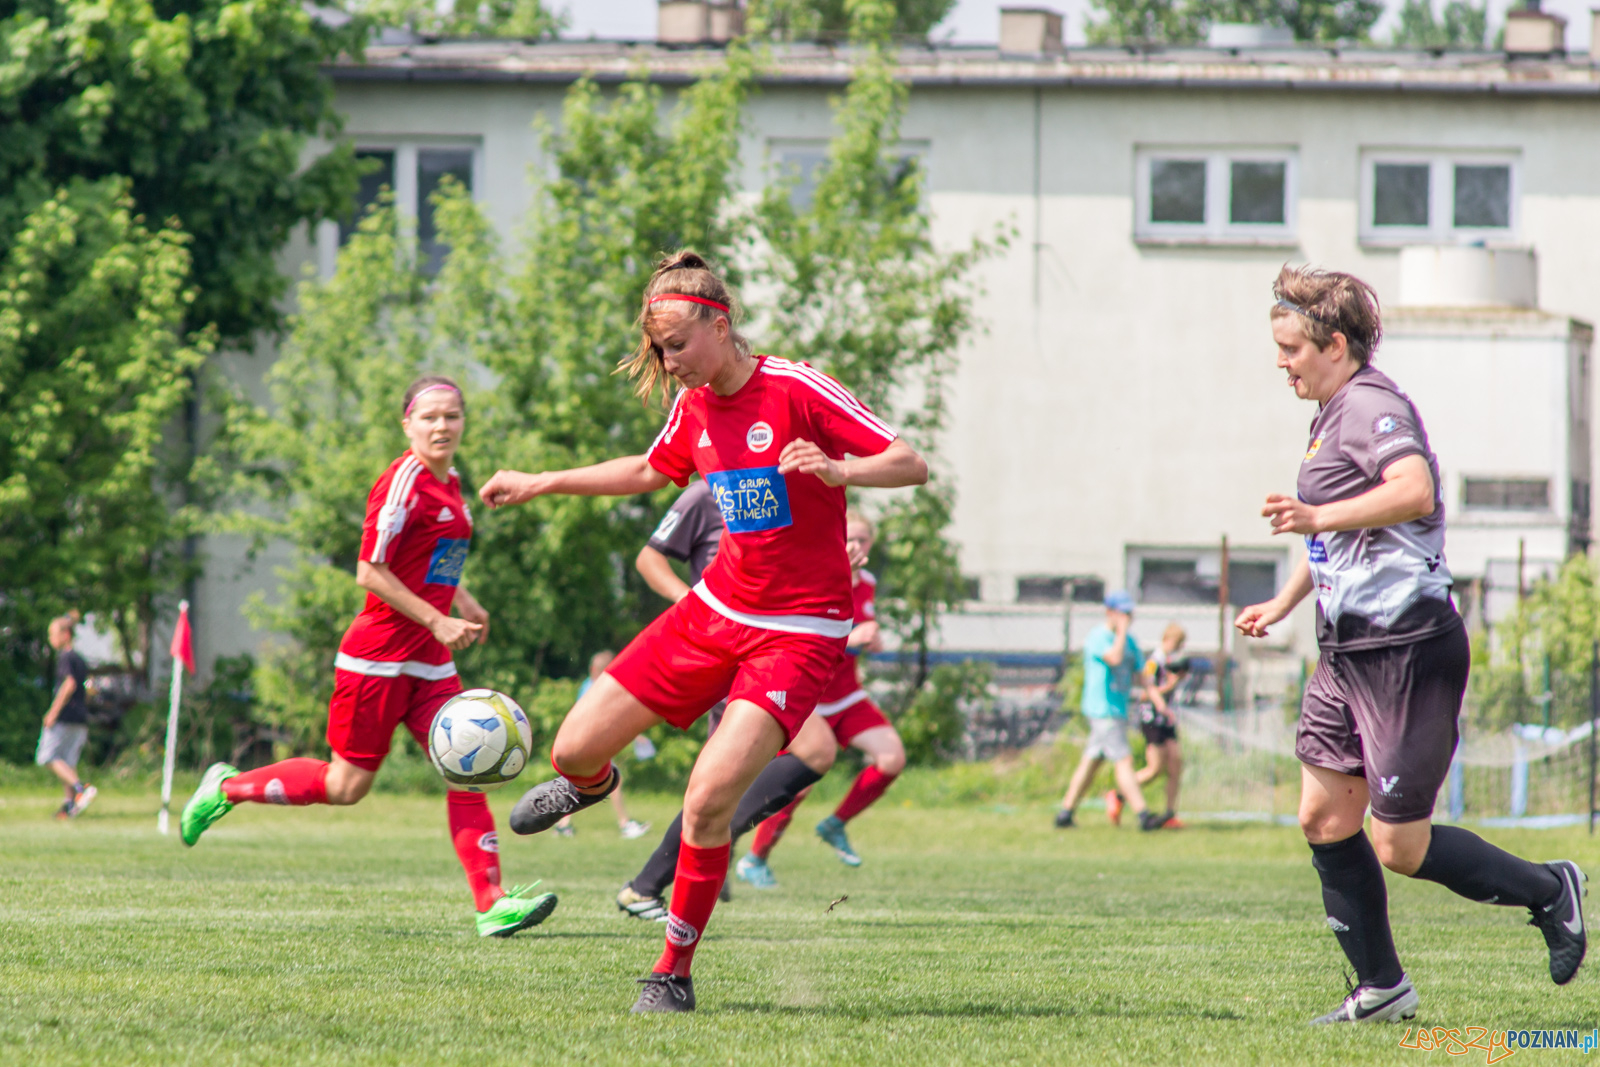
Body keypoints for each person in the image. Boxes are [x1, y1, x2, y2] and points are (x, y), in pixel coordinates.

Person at [480, 250, 927, 1012]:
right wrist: (541, 481)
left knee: (709, 798)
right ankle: (592, 786)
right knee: (572, 748)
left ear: (720, 324)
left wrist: (839, 471)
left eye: (679, 344)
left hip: (796, 631)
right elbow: (650, 471)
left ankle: (672, 971)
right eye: (660, 348)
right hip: (715, 610)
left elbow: (910, 462)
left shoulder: (795, 386)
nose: (669, 361)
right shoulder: (691, 406)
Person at [1235, 265, 1585, 1024]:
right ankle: (1382, 987)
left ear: (1333, 343)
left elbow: (1413, 488)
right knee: (1324, 817)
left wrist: (1314, 518)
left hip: (1406, 652)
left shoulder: (1370, 405)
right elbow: (1338, 534)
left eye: (1291, 347)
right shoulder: (1330, 412)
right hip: (1346, 654)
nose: (1281, 361)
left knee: (1399, 844)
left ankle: (1551, 888)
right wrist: (1285, 599)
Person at [180, 375, 558, 939]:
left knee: (467, 772)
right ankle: (227, 787)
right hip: (377, 658)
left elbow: (434, 567)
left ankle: (492, 903)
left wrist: (465, 603)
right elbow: (369, 571)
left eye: (451, 416)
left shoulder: (451, 483)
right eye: (429, 416)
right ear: (407, 423)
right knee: (345, 788)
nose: (441, 426)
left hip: (429, 660)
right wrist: (435, 618)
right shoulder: (401, 482)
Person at [615, 477, 842, 921]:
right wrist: (693, 604)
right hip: (727, 648)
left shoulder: (789, 489)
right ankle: (669, 870)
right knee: (812, 749)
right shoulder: (706, 493)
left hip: (772, 648)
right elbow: (649, 556)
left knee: (724, 787)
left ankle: (653, 882)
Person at [739, 509, 905, 884]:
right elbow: (805, 633)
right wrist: (853, 639)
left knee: (891, 757)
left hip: (846, 696)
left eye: (863, 540)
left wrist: (871, 640)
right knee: (799, 785)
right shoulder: (818, 575)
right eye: (850, 538)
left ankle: (836, 824)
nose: (856, 546)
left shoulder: (868, 583)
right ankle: (755, 859)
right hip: (808, 700)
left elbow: (859, 631)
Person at [1054, 591, 1164, 832]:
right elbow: (1114, 658)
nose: (1127, 618)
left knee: (1092, 761)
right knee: (1123, 760)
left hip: (1118, 708)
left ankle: (1065, 813)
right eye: (1123, 613)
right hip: (1102, 709)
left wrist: (1158, 700)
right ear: (1110, 613)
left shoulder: (1131, 642)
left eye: (1129, 613)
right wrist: (1122, 631)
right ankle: (1143, 815)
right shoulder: (1098, 637)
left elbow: (1142, 675)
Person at [554, 650, 650, 840]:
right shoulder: (595, 689)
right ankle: (624, 824)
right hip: (591, 742)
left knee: (585, 782)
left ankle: (563, 824)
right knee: (611, 780)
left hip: (586, 742)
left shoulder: (587, 686)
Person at [39, 614, 97, 819]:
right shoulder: (80, 659)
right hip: (80, 717)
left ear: (65, 634)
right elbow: (89, 687)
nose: (50, 638)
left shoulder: (66, 656)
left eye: (52, 633)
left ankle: (81, 789)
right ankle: (70, 805)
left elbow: (70, 684)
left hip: (65, 716)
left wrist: (52, 713)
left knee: (47, 756)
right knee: (67, 761)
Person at [1134, 623, 1187, 828]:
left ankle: (1169, 813)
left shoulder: (1170, 662)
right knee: (1154, 768)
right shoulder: (1153, 662)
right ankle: (1121, 792)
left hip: (1167, 719)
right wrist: (1170, 686)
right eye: (1178, 642)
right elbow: (1145, 693)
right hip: (1152, 719)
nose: (1179, 647)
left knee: (1176, 761)